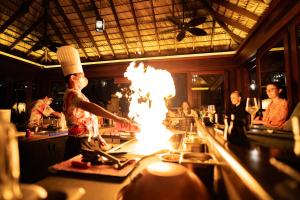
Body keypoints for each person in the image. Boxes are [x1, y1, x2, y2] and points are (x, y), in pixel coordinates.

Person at [56, 45, 132, 152]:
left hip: (88, 141)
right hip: (78, 143)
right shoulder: (71, 94)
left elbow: (89, 120)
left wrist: (99, 138)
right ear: (73, 78)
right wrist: (117, 118)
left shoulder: (80, 95)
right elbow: (91, 108)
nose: (84, 78)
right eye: (81, 75)